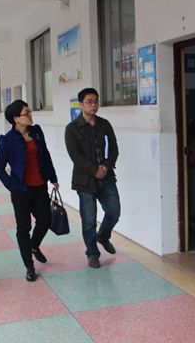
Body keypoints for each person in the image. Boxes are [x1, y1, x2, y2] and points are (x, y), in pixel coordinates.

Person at [0, 100, 59, 281]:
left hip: (40, 186)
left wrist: (53, 178)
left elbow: (45, 155)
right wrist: (12, 186)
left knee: (45, 221)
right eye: (26, 113)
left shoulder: (36, 132)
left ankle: (33, 245)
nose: (30, 115)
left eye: (29, 111)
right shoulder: (7, 140)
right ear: (16, 118)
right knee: (23, 228)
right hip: (21, 190)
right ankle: (29, 266)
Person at [65, 88, 120, 268]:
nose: (94, 105)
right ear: (81, 104)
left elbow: (114, 149)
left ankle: (102, 236)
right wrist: (94, 170)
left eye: (96, 101)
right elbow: (75, 155)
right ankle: (92, 254)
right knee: (89, 221)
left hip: (107, 177)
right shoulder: (72, 128)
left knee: (114, 212)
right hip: (85, 181)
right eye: (89, 101)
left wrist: (106, 167)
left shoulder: (105, 124)